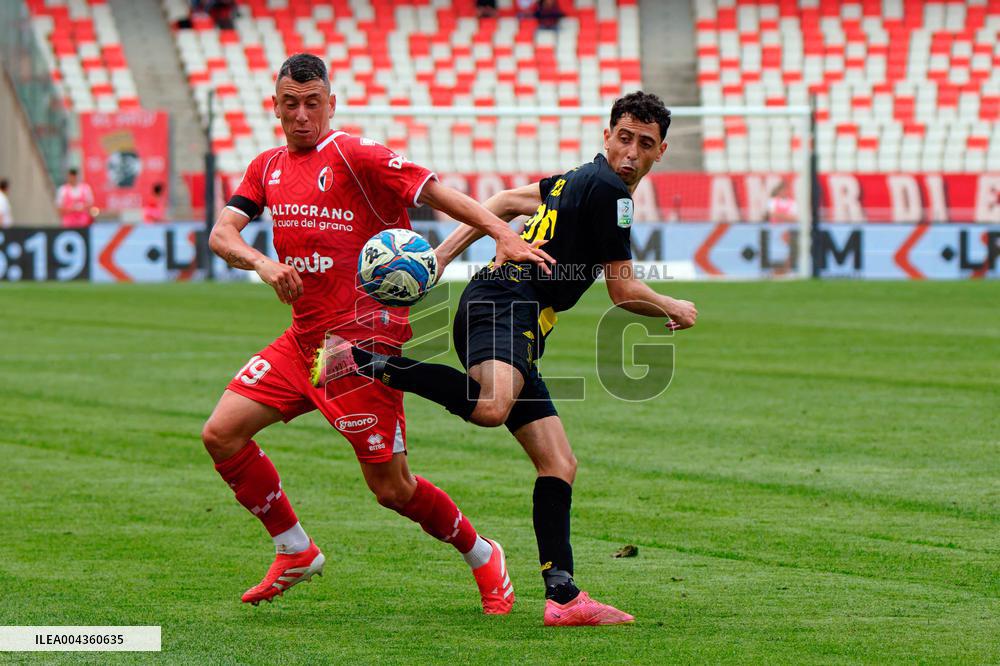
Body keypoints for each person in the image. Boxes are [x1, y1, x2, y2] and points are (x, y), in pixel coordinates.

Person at [314, 91, 698, 626]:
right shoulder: (610, 190)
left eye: (645, 144)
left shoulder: (575, 180)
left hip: (511, 311)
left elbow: (500, 203)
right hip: (504, 305)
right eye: (625, 138)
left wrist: (440, 258)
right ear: (606, 136)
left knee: (558, 462)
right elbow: (622, 290)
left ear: (662, 152)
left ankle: (563, 597)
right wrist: (671, 304)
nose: (631, 153)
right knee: (492, 406)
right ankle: (359, 358)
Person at [203, 53, 552, 611]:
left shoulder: (355, 155)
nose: (301, 115)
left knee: (392, 489)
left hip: (361, 347)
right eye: (290, 104)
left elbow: (435, 192)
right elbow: (223, 233)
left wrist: (497, 232)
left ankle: (483, 553)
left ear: (331, 104)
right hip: (304, 342)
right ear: (274, 106)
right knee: (222, 434)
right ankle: (294, 548)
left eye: (312, 103)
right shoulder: (265, 167)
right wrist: (262, 264)